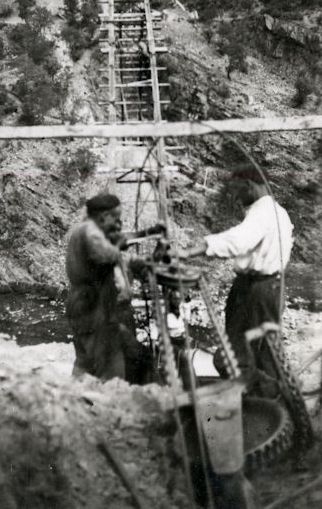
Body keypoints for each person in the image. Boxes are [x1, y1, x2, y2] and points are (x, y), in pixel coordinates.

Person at [176, 164, 294, 396]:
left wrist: (190, 252)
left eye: (238, 190)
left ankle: (263, 401)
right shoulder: (273, 211)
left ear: (250, 185)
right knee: (262, 351)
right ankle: (270, 399)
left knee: (238, 355)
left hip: (258, 290)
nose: (236, 196)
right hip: (264, 286)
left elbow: (237, 241)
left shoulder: (264, 213)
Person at [66, 192, 162, 383]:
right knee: (110, 370)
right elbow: (112, 252)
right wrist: (126, 246)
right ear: (104, 216)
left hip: (94, 311)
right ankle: (101, 403)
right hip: (94, 312)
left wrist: (148, 235)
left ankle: (77, 398)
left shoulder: (92, 231)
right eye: (116, 219)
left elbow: (119, 246)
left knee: (135, 356)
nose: (118, 225)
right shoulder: (90, 233)